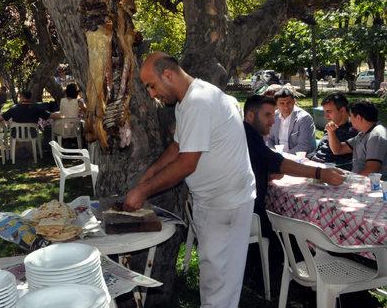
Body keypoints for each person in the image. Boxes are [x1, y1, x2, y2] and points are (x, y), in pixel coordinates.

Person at [123, 52, 256, 308]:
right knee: (213, 277)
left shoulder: (198, 101)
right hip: (214, 202)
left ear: (168, 75)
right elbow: (177, 147)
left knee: (220, 284)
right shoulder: (187, 102)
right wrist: (150, 173)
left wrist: (143, 192)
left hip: (226, 203)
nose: (151, 93)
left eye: (152, 85)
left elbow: (186, 163)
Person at [243, 95, 344, 237]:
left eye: (273, 115)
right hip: (247, 215)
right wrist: (321, 174)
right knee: (277, 248)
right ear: (250, 116)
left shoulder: (246, 132)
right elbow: (281, 163)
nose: (273, 121)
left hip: (245, 209)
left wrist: (266, 174)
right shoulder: (248, 135)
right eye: (267, 115)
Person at [328, 99, 387, 176]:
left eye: (350, 116)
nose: (350, 119)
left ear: (358, 117)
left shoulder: (376, 135)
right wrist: (331, 131)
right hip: (360, 180)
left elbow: (372, 169)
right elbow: (338, 149)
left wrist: (351, 181)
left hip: (371, 185)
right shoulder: (364, 133)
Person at [309, 93, 357, 170]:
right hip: (314, 164)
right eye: (325, 112)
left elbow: (338, 151)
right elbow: (321, 148)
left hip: (330, 170)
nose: (325, 116)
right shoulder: (330, 125)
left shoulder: (354, 130)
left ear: (342, 110)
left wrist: (331, 132)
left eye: (329, 111)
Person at [266, 86, 316, 153]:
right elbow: (269, 139)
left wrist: (284, 157)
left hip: (298, 157)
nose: (286, 107)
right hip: (278, 156)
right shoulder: (274, 116)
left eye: (288, 103)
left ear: (294, 101)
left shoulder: (304, 118)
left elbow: (304, 146)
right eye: (282, 103)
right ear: (276, 104)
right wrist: (273, 153)